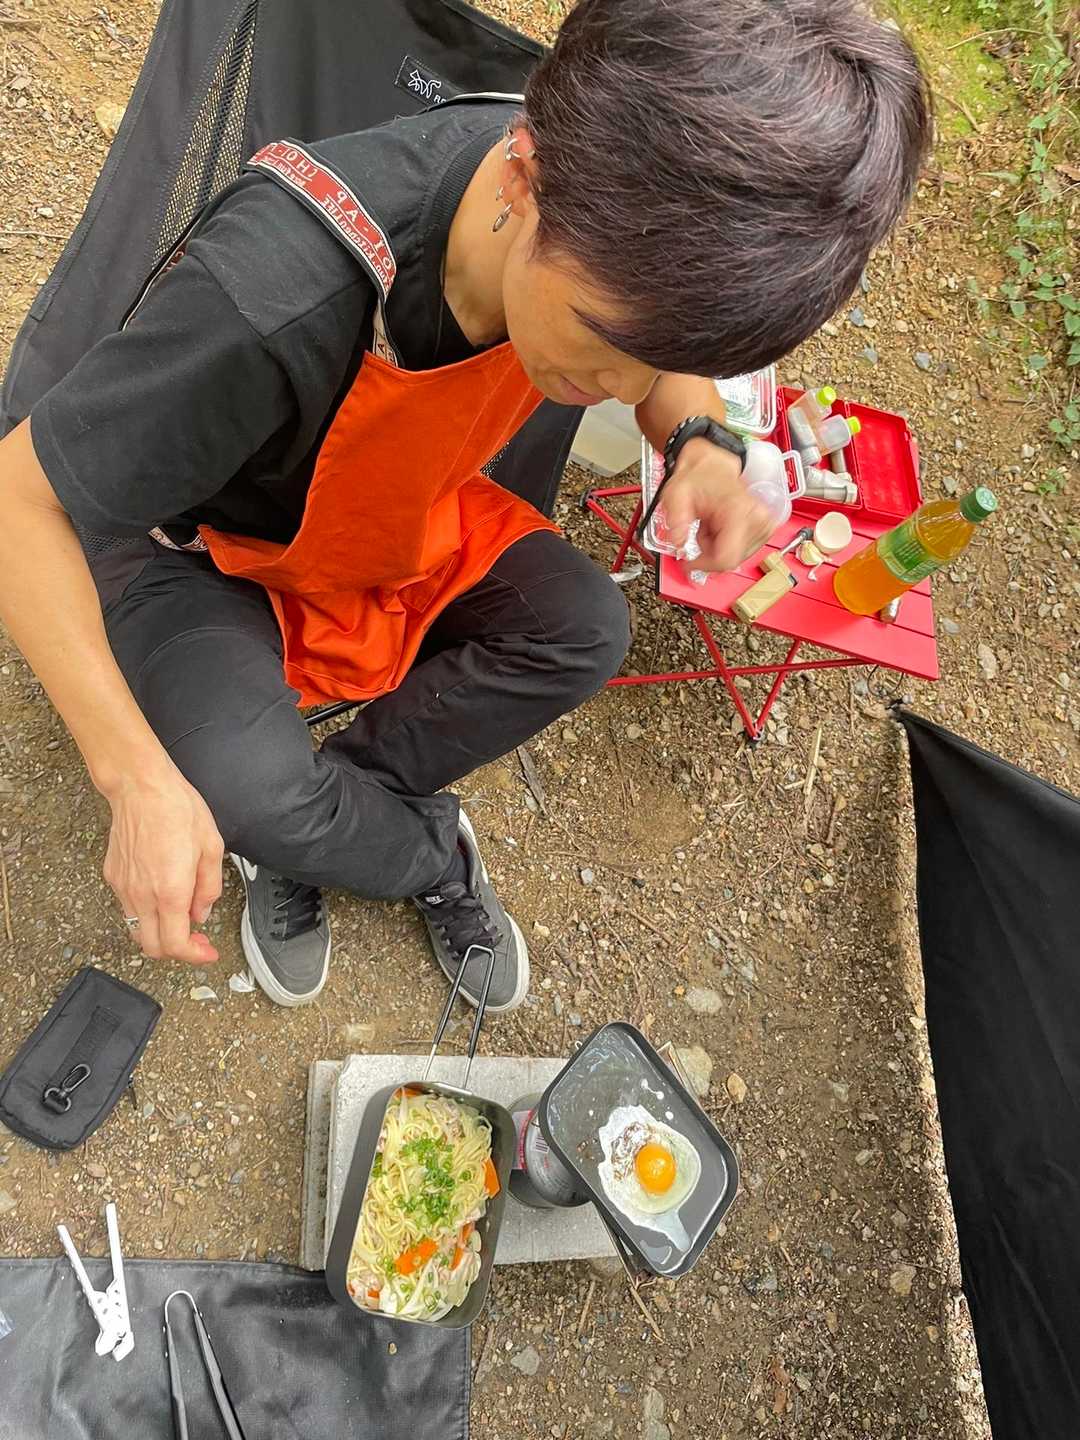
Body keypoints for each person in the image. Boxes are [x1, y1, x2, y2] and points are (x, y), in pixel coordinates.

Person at [0, 0, 930, 1011]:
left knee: (584, 630)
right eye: (609, 343)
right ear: (524, 178)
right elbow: (16, 499)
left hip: (399, 508)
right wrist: (133, 778)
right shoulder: (271, 293)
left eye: (658, 357)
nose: (626, 391)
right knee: (252, 797)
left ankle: (333, 816)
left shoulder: (609, 205)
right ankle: (414, 850)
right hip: (213, 553)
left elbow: (662, 361)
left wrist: (701, 437)